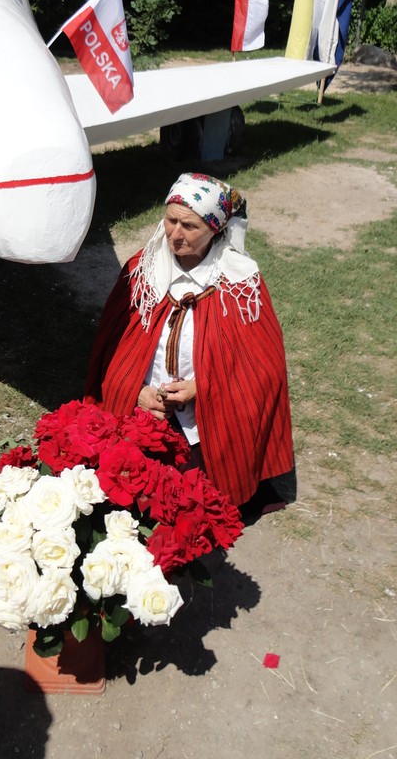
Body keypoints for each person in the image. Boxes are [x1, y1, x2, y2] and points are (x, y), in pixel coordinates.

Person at [84, 172, 295, 517]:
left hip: (207, 419)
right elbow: (112, 350)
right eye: (171, 221)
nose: (175, 234)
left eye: (190, 226)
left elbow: (264, 370)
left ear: (215, 229)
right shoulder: (141, 272)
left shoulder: (240, 285)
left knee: (197, 502)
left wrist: (203, 388)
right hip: (143, 409)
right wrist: (136, 391)